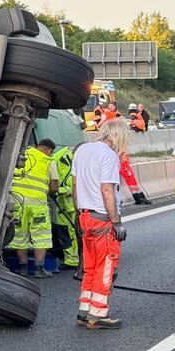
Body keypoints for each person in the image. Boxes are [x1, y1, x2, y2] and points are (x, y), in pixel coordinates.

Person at [73, 116, 131, 329]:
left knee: (90, 266)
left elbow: (75, 185)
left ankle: (84, 311)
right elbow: (107, 190)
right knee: (106, 266)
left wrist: (78, 213)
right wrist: (116, 222)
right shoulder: (109, 156)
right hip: (102, 219)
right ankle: (98, 314)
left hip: (85, 215)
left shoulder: (82, 150)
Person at [7, 137, 56, 278]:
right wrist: (50, 192)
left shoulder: (24, 153)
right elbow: (54, 186)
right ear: (50, 151)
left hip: (17, 202)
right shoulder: (49, 161)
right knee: (41, 236)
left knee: (19, 234)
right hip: (37, 204)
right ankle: (39, 269)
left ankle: (22, 268)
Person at [49, 141, 80, 279]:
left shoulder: (83, 161)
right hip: (62, 205)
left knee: (77, 233)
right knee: (65, 233)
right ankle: (71, 260)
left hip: (75, 205)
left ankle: (79, 258)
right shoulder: (59, 157)